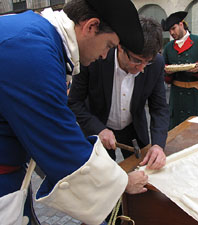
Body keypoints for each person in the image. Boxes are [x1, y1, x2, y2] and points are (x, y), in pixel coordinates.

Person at [0, 0, 149, 224]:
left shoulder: (34, 34)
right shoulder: (33, 51)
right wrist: (123, 182)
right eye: (108, 45)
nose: (104, 56)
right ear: (90, 26)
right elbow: (60, 144)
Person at [68, 17, 169, 170]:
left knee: (142, 174)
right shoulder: (94, 58)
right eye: (136, 60)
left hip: (133, 129)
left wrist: (158, 145)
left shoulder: (156, 64)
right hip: (98, 126)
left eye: (146, 62)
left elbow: (159, 107)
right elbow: (74, 102)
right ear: (121, 47)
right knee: (102, 177)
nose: (141, 68)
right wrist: (98, 129)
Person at [161, 11, 198, 129]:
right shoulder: (168, 47)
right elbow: (162, 69)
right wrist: (167, 71)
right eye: (169, 31)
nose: (172, 33)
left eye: (173, 28)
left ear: (181, 24)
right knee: (176, 131)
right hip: (177, 97)